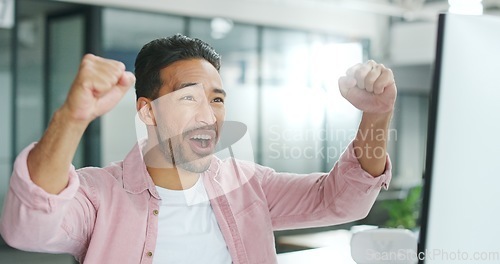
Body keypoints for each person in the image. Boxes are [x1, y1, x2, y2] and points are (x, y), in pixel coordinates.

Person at [0, 34, 396, 264]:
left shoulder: (250, 186)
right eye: (189, 98)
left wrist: (376, 115)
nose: (209, 114)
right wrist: (72, 117)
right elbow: (27, 227)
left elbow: (343, 202)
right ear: (149, 112)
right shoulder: (100, 195)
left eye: (218, 99)